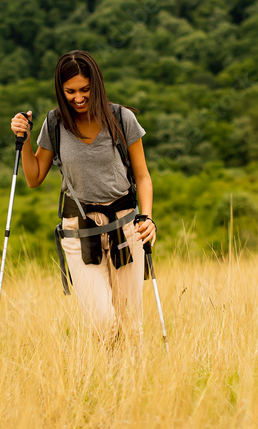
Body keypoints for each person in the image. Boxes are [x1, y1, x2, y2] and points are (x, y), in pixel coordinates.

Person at [10, 50, 156, 342]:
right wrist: (23, 140)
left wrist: (147, 217)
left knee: (131, 327)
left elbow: (142, 175)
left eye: (85, 90)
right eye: (70, 91)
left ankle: (129, 387)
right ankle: (109, 383)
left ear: (97, 86)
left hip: (126, 226)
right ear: (60, 91)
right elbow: (34, 177)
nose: (78, 98)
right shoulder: (54, 124)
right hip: (79, 231)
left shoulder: (120, 118)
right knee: (102, 323)